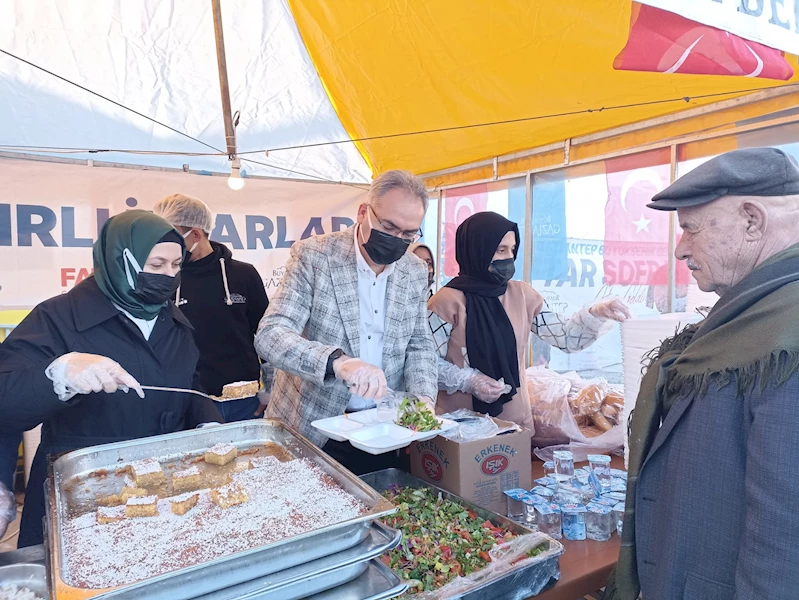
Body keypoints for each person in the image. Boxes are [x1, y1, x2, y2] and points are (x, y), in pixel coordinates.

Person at [606, 147, 799, 600]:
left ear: (752, 220)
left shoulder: (785, 338)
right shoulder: (752, 314)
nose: (680, 249)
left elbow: (783, 538)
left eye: (690, 229)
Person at [0, 210, 222, 547]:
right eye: (157, 265)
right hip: (85, 489)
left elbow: (188, 382)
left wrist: (208, 423)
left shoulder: (171, 320)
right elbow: (7, 397)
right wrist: (59, 374)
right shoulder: (59, 317)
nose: (169, 276)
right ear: (120, 259)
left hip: (162, 484)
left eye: (177, 266)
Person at [255, 170, 437, 475]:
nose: (397, 240)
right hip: (313, 428)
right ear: (363, 212)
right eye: (389, 227)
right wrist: (337, 362)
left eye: (408, 235)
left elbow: (419, 344)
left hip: (385, 430)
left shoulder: (414, 270)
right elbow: (271, 334)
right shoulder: (315, 256)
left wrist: (422, 398)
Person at [428, 212, 630, 430]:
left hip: (514, 424)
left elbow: (566, 338)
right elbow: (423, 362)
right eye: (500, 250)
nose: (508, 257)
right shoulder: (446, 301)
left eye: (512, 250)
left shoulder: (522, 295)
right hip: (459, 426)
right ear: (477, 250)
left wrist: (596, 313)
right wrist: (468, 380)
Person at [154, 194, 270, 421]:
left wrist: (271, 388)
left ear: (196, 234)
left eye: (171, 236)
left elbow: (267, 334)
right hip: (189, 401)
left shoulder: (243, 274)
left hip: (244, 401)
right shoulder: (165, 278)